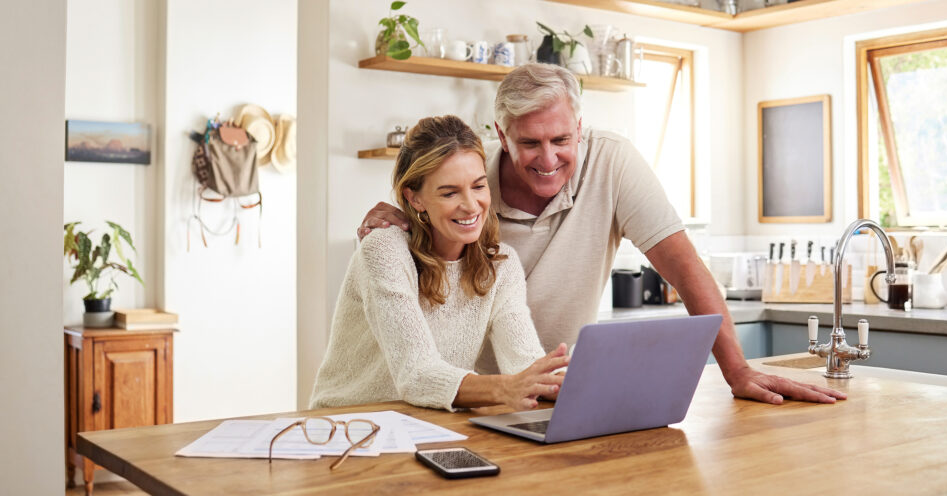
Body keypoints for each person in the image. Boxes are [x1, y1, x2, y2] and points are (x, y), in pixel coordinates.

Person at [358, 64, 845, 406]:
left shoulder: (611, 163)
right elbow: (415, 362)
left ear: (580, 129)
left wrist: (736, 371)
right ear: (501, 137)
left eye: (561, 140)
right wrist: (404, 215)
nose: (547, 159)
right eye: (529, 143)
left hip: (534, 396)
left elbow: (686, 270)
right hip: (444, 396)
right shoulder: (474, 182)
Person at [311, 115, 568, 412]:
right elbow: (417, 374)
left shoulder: (502, 265)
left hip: (432, 425)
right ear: (415, 198)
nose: (471, 205)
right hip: (346, 427)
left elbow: (524, 363)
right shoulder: (385, 251)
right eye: (449, 192)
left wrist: (580, 384)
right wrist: (507, 387)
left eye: (478, 186)